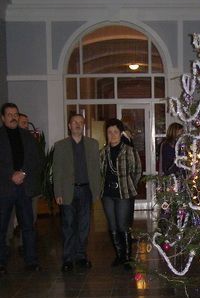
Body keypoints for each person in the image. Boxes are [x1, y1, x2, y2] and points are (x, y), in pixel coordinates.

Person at [52, 113, 101, 272]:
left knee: (84, 226)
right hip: (68, 191)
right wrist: (57, 192)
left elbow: (96, 170)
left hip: (86, 190)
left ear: (84, 125)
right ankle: (67, 259)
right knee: (68, 225)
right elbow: (57, 171)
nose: (78, 125)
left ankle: (80, 256)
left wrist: (96, 191)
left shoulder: (93, 144)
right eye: (74, 122)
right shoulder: (60, 145)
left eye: (80, 122)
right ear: (69, 125)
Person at [0, 102, 43, 274]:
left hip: (24, 188)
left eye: (15, 114)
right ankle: (1, 262)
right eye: (9, 114)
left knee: (28, 227)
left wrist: (23, 173)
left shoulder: (27, 136)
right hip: (5, 189)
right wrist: (10, 175)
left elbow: (37, 159)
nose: (13, 117)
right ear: (3, 118)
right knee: (2, 227)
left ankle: (31, 261)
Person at [100, 118, 142, 269]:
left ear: (120, 133)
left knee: (123, 225)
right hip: (107, 194)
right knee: (112, 225)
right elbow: (100, 172)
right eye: (109, 132)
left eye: (115, 132)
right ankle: (119, 255)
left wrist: (130, 186)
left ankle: (127, 258)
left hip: (124, 193)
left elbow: (137, 171)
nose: (112, 135)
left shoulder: (129, 150)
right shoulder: (103, 152)